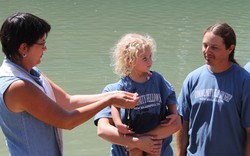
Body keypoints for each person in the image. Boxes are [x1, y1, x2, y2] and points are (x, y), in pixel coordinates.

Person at [0, 12, 139, 156]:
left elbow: (68, 101)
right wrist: (109, 101)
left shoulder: (30, 71)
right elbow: (67, 121)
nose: (45, 49)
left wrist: (114, 94)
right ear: (23, 48)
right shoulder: (17, 86)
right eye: (41, 44)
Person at [94, 33, 181, 156]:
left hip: (157, 146)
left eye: (150, 56)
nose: (150, 61)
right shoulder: (113, 90)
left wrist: (143, 140)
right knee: (136, 150)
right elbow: (103, 130)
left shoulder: (157, 79)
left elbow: (176, 122)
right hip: (130, 143)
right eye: (144, 58)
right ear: (129, 60)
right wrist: (137, 142)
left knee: (155, 147)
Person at [176, 22, 250, 156]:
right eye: (205, 45)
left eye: (214, 47)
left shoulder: (245, 82)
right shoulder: (192, 79)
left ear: (230, 49)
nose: (207, 51)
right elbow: (182, 124)